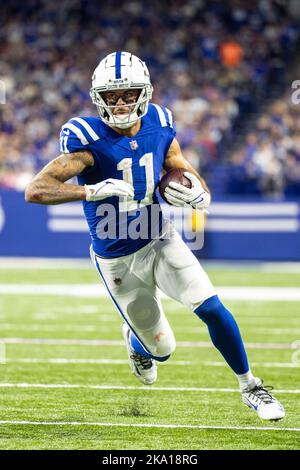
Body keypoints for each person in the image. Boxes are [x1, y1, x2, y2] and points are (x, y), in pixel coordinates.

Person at [25, 51, 284, 421]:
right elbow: (36, 190)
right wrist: (91, 191)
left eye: (127, 93)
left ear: (143, 93)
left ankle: (251, 387)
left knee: (210, 306)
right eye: (111, 96)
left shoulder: (160, 121)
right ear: (98, 97)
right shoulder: (87, 137)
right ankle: (137, 344)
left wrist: (198, 190)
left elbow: (177, 163)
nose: (119, 103)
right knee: (163, 350)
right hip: (117, 260)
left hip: (159, 237)